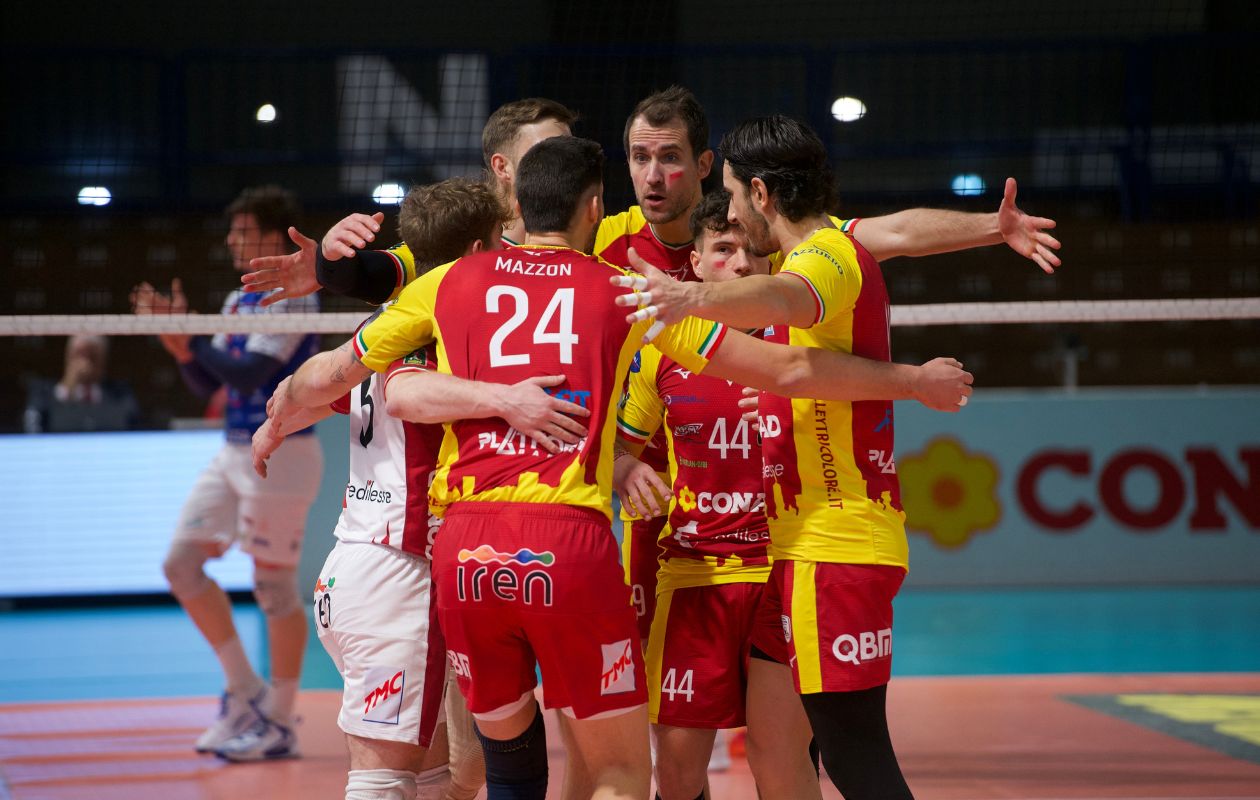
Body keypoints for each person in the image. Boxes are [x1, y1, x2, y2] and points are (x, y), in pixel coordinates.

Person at [276, 135, 973, 800]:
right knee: (617, 767)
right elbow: (787, 368)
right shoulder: (624, 291)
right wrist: (910, 381)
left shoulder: (447, 282)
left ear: (518, 204)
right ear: (592, 209)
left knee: (503, 763)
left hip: (464, 549)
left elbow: (335, 375)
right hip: (566, 544)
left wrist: (279, 412)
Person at [610, 115, 1045, 799]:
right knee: (788, 748)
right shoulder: (830, 245)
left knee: (852, 755)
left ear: (762, 194)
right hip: (798, 548)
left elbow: (788, 337)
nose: (729, 214)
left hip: (836, 542)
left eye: (733, 196)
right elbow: (894, 240)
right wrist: (994, 227)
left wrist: (687, 300)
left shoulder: (820, 260)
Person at [255, 177, 588, 800]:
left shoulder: (385, 324)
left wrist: (276, 422)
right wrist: (507, 399)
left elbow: (328, 391)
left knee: (442, 778)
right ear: (477, 252)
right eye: (500, 243)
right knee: (383, 780)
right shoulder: (438, 329)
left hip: (367, 568)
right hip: (397, 574)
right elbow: (404, 394)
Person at [614, 190, 821, 800]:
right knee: (676, 774)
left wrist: (792, 416)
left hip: (785, 573)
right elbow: (616, 449)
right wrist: (625, 472)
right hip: (694, 577)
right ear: (697, 265)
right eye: (724, 250)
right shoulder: (662, 349)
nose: (741, 264)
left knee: (780, 762)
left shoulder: (806, 346)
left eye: (753, 251)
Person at [131, 185, 323, 761]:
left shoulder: (294, 298)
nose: (231, 241)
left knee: (273, 589)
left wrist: (191, 336)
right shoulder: (239, 300)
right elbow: (209, 383)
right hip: (232, 451)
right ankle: (244, 692)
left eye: (243, 231)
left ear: (273, 235)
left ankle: (280, 720)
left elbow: (248, 374)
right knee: (181, 565)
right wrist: (182, 349)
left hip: (282, 455)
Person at [238, 98, 579, 307]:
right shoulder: (459, 234)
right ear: (502, 167)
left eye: (571, 151)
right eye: (547, 152)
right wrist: (327, 263)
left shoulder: (598, 231)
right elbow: (370, 275)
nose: (567, 163)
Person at [23, 334, 139, 433]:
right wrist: (68, 387)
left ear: (103, 360)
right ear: (68, 357)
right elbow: (32, 429)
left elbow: (133, 426)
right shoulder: (43, 393)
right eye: (79, 355)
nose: (85, 362)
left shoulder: (121, 394)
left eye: (92, 356)